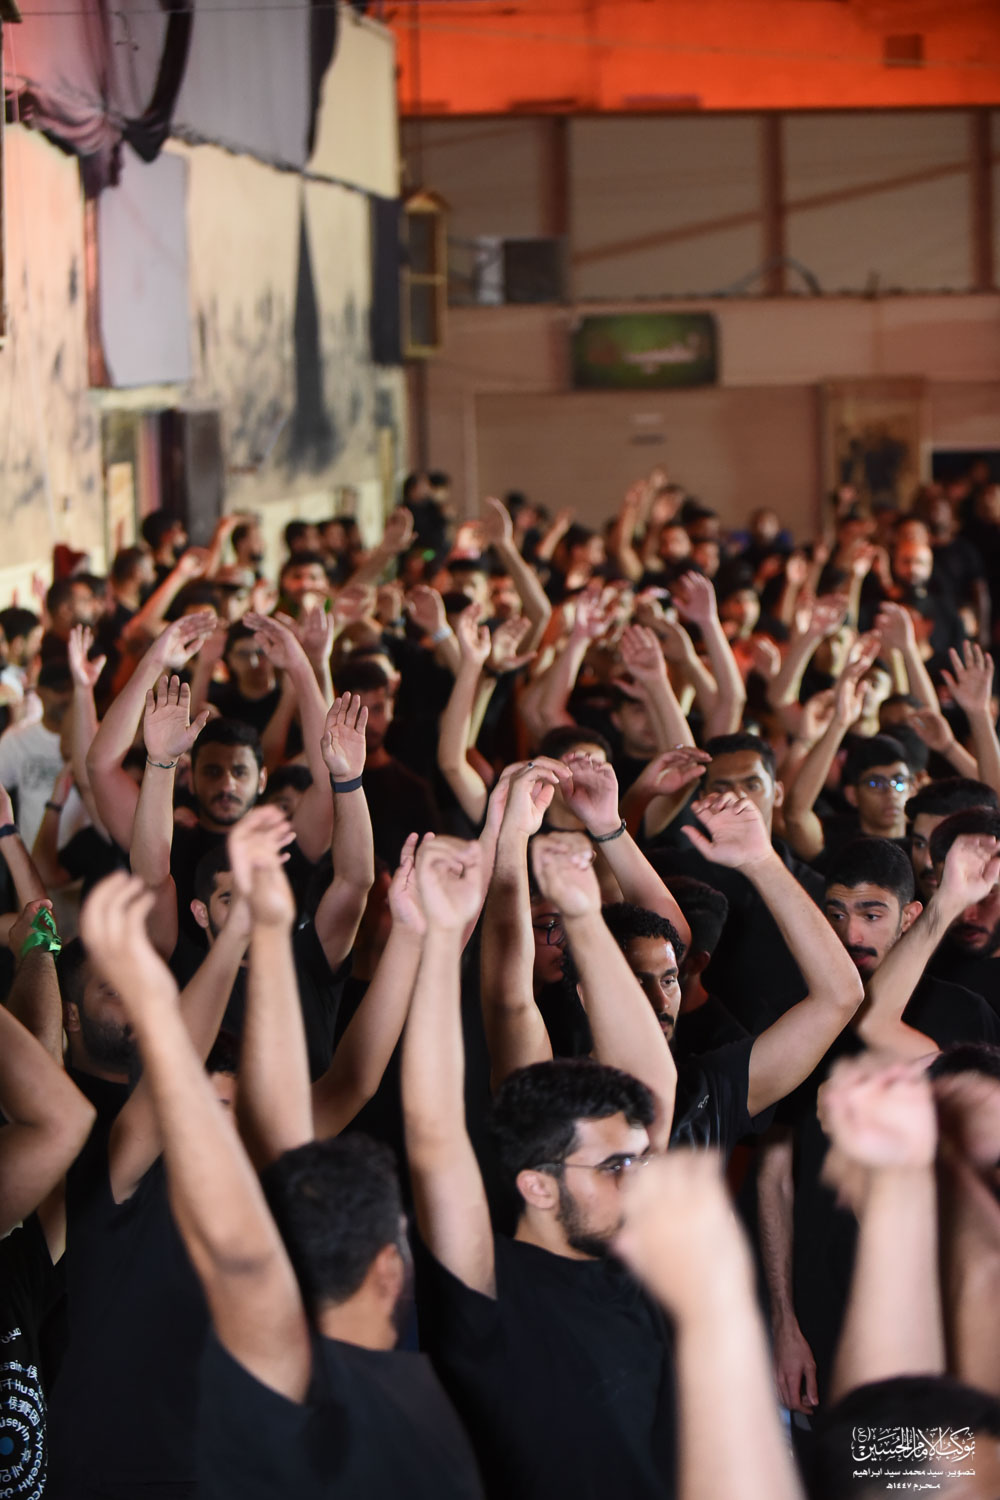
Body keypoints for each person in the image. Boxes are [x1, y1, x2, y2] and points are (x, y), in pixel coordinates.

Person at [76, 844, 485, 1500]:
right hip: (119, 1474)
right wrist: (240, 934)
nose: (221, 1133)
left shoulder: (266, 1177)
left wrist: (410, 933)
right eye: (201, 1111)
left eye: (233, 1115)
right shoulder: (126, 1177)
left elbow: (352, 1080)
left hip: (243, 1468)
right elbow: (168, 1081)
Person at [403, 832, 679, 1500]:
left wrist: (583, 915)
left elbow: (654, 1082)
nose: (640, 1181)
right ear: (538, 1185)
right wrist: (440, 939)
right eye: (616, 1166)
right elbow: (433, 1135)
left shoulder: (645, 1263)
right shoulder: (491, 1286)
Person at [0, 661, 72, 849]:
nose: (68, 697)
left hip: (88, 860)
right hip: (31, 858)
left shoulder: (97, 738)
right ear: (39, 692)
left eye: (73, 689)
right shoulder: (17, 739)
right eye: (60, 689)